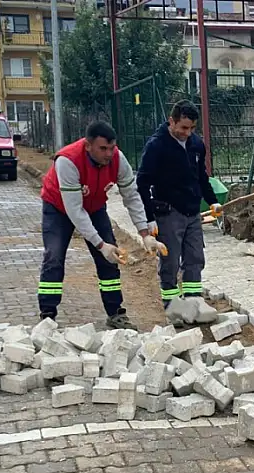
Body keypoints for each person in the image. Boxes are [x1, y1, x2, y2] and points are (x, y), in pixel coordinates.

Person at [37, 121, 163, 330]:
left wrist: (144, 233)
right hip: (59, 209)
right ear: (88, 146)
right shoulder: (67, 161)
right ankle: (47, 316)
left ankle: (115, 313)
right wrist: (100, 245)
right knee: (54, 257)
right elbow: (75, 211)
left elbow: (131, 196)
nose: (108, 154)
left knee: (110, 260)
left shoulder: (118, 160)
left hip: (95, 207)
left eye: (112, 148)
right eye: (103, 148)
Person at [136, 100, 222, 321]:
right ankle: (173, 307)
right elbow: (143, 182)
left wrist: (212, 201)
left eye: (192, 128)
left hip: (192, 211)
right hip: (167, 212)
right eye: (183, 127)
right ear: (171, 121)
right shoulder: (157, 146)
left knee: (195, 257)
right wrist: (148, 219)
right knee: (170, 260)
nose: (188, 133)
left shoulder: (196, 145)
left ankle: (194, 303)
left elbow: (201, 177)